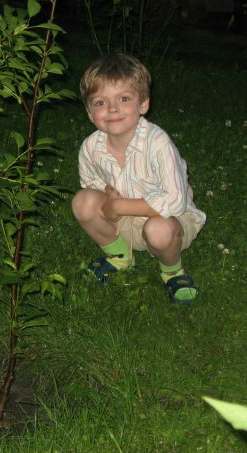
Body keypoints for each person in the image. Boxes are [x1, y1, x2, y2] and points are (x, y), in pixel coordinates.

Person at [71, 54, 206, 304]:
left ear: (143, 104)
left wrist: (118, 206)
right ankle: (120, 257)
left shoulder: (157, 143)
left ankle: (172, 272)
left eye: (124, 99)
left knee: (159, 230)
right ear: (90, 113)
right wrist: (107, 193)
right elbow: (90, 182)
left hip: (169, 220)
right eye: (100, 102)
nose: (112, 108)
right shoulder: (91, 147)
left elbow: (174, 201)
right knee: (82, 201)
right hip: (122, 220)